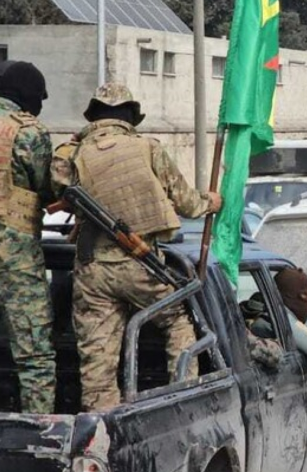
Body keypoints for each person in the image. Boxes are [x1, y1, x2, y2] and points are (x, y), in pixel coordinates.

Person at [52, 83, 223, 411]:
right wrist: (212, 202)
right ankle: (182, 400)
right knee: (177, 320)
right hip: (141, 264)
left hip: (92, 271)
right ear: (130, 115)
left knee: (97, 360)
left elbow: (57, 190)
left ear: (94, 116)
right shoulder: (148, 148)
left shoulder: (72, 153)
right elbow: (188, 204)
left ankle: (101, 427)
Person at [0, 62, 56, 413]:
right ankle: (39, 437)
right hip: (15, 262)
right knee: (34, 358)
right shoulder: (29, 132)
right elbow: (47, 189)